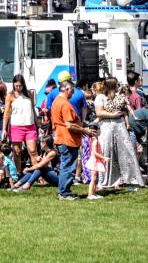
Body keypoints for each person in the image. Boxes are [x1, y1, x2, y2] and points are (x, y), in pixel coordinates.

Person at [49, 72, 87, 200]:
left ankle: (63, 191)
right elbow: (69, 125)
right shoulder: (64, 104)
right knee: (68, 166)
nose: (72, 94)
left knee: (66, 165)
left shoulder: (56, 101)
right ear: (67, 89)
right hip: (67, 139)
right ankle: (64, 193)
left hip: (62, 137)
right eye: (72, 91)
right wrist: (84, 130)